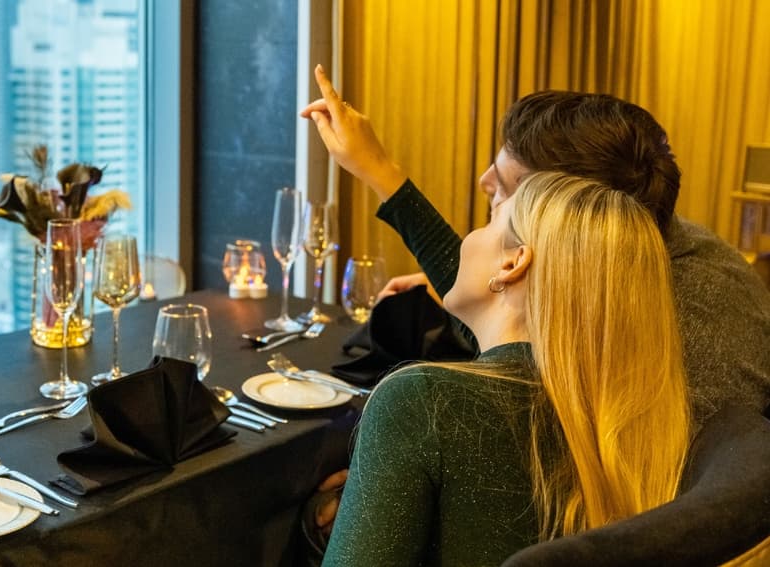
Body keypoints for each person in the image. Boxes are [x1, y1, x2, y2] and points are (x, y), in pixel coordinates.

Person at [299, 64, 770, 547]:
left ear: (560, 219)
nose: (483, 183)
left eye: (504, 195)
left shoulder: (688, 341)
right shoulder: (645, 256)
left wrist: (389, 487)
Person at [322, 172, 691, 565]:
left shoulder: (424, 402)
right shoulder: (631, 423)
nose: (468, 239)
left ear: (513, 262)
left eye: (488, 220)